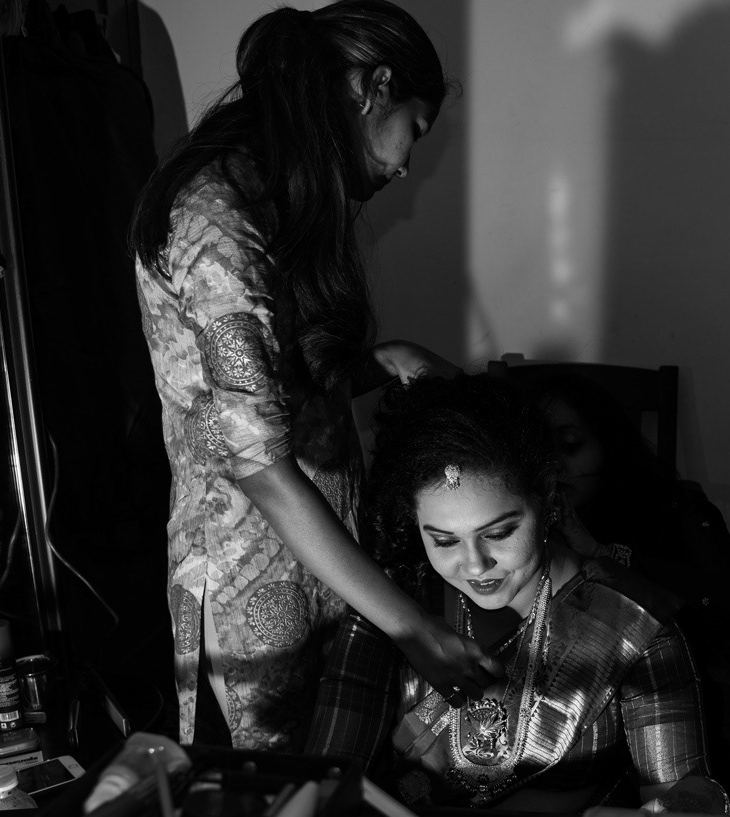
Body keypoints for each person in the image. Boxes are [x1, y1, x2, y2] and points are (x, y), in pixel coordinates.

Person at [130, 1, 499, 750]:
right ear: (374, 87)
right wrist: (411, 627)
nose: (405, 165)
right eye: (416, 130)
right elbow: (258, 462)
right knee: (268, 798)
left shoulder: (277, 200)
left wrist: (382, 361)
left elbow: (270, 384)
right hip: (248, 582)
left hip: (325, 567)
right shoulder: (217, 219)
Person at [304, 374, 726, 816]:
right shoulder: (392, 604)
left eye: (499, 533)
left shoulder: (634, 625)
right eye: (444, 540)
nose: (475, 565)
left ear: (548, 500)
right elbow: (329, 777)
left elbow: (681, 815)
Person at [513, 371, 730, 812]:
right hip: (560, 748)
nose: (555, 466)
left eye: (570, 445)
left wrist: (604, 554)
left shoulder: (673, 507)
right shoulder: (517, 520)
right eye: (539, 450)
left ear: (608, 442)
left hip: (675, 740)